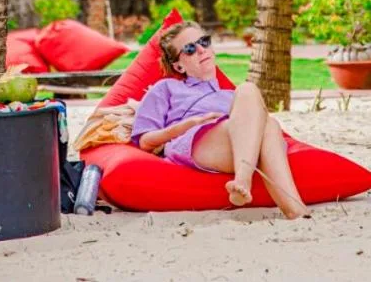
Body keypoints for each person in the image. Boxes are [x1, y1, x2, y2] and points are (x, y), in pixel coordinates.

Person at [130, 21, 309, 220]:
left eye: (204, 42)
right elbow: (145, 141)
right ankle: (243, 180)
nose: (200, 50)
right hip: (197, 141)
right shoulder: (167, 88)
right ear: (178, 65)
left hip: (240, 143)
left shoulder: (231, 96)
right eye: (189, 49)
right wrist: (185, 126)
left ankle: (296, 211)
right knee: (249, 91)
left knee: (265, 116)